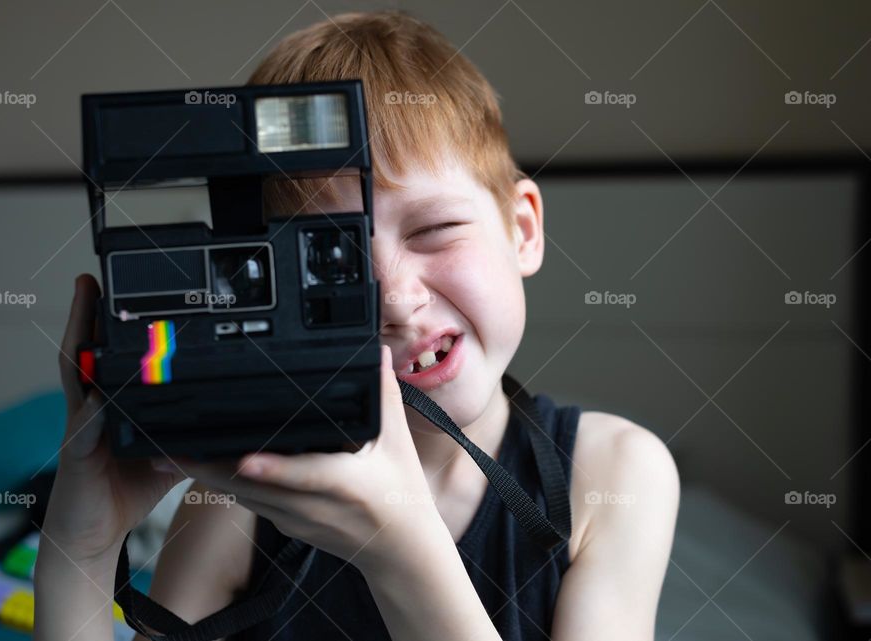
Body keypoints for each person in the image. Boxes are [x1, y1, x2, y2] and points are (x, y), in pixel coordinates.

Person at [34, 11, 679, 641]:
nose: (396, 300)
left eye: (433, 231)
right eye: (333, 261)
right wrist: (80, 551)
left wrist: (400, 549)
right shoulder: (245, 500)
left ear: (523, 229)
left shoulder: (613, 476)